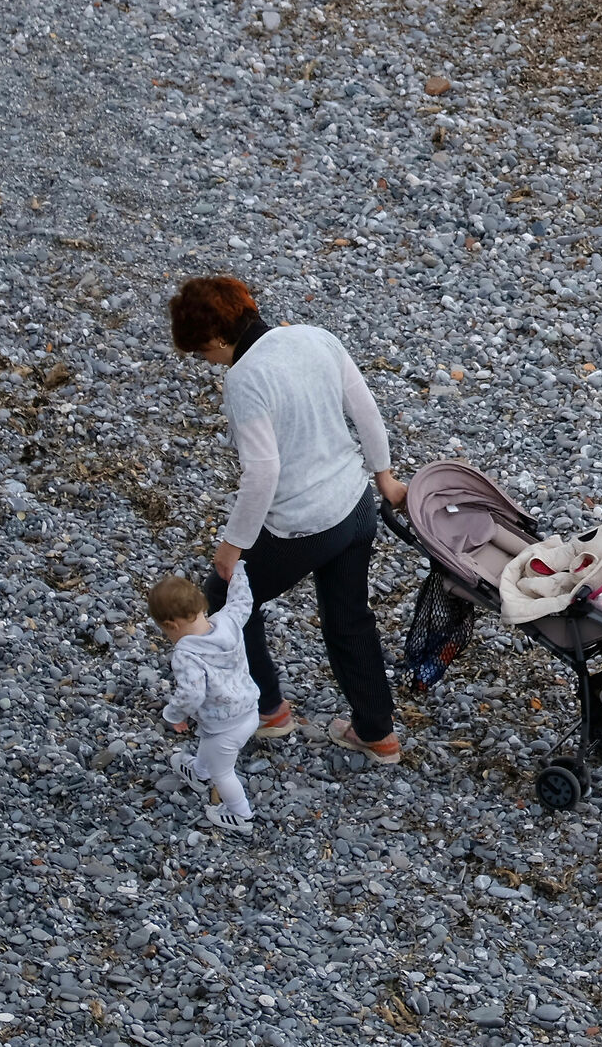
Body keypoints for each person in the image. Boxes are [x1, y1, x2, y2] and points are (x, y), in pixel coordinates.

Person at [168, 274, 406, 764]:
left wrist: (232, 545)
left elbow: (263, 473)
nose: (204, 362)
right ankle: (377, 732)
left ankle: (269, 711)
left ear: (216, 338)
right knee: (349, 618)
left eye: (200, 352)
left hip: (302, 525)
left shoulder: (244, 378)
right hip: (355, 505)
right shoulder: (315, 337)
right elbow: (366, 411)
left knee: (224, 598)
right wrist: (385, 478)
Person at [151, 564, 260, 836]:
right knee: (208, 743)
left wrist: (174, 715)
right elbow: (242, 601)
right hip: (250, 710)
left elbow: (192, 694)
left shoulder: (187, 655)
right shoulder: (229, 621)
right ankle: (198, 772)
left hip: (226, 726)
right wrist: (238, 573)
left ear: (171, 625)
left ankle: (241, 814)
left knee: (223, 773)